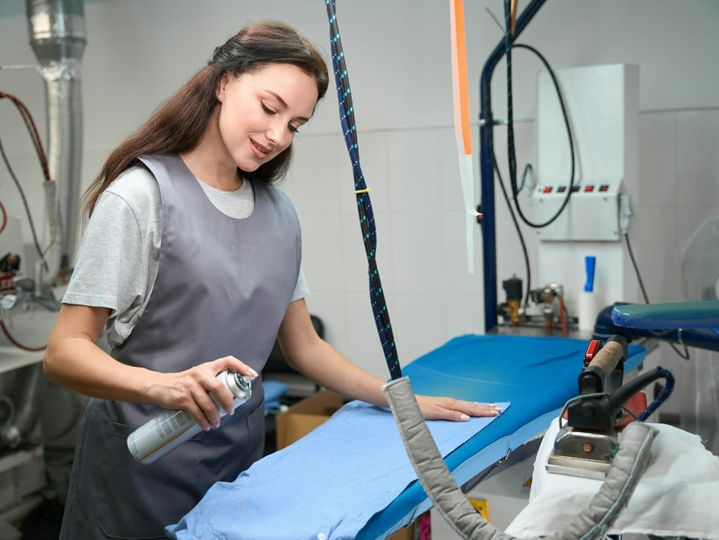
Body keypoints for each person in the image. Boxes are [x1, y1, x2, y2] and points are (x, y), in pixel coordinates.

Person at [44, 21, 501, 539]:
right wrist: (166, 386)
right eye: (269, 108)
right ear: (223, 83)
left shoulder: (279, 214)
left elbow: (303, 347)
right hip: (139, 476)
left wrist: (399, 399)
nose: (278, 136)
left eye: (296, 124)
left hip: (239, 473)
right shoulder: (140, 198)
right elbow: (64, 352)